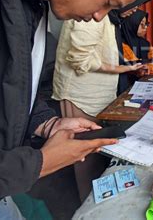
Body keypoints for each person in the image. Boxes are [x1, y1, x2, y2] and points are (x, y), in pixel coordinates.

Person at [0, 0, 147, 218]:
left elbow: (4, 91)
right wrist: (40, 163)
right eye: (108, 3)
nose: (99, 16)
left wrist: (47, 124)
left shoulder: (31, 3)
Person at [52, 13, 143, 200]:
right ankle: (89, 206)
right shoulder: (93, 12)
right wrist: (120, 69)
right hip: (81, 96)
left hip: (99, 94)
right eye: (131, 5)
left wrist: (123, 68)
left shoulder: (112, 16)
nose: (132, 11)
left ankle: (101, 198)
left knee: (98, 152)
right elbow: (79, 60)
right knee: (85, 156)